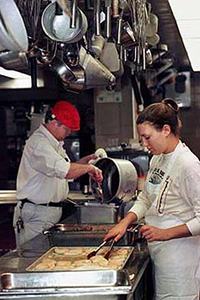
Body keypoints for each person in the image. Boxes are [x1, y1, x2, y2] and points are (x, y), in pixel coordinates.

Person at [104, 98, 200, 300]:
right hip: (160, 253)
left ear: (166, 130)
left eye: (147, 138)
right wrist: (124, 222)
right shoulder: (157, 158)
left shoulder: (188, 165)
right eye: (142, 139)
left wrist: (165, 233)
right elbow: (147, 198)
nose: (144, 144)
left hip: (180, 260)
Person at [13, 100, 103, 248]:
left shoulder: (54, 143)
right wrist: (89, 169)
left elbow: (65, 170)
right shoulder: (40, 144)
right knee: (33, 260)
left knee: (43, 260)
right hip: (37, 214)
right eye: (67, 130)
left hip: (46, 213)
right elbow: (66, 171)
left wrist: (86, 162)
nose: (69, 134)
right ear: (55, 123)